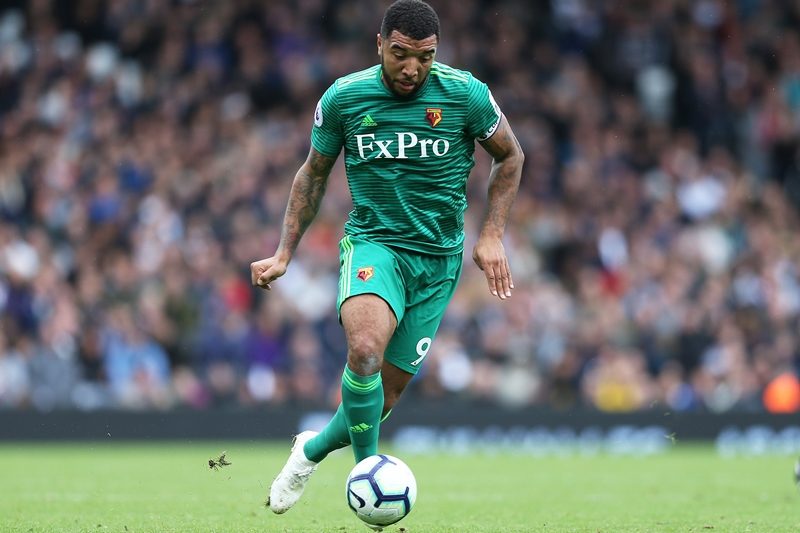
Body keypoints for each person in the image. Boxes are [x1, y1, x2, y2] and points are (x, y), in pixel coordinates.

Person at [250, 0, 524, 516]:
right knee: (365, 352)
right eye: (400, 54)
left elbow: (511, 156)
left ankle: (309, 451)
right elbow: (313, 174)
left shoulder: (466, 94)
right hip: (374, 245)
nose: (412, 68)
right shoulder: (346, 97)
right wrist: (285, 252)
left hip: (438, 262)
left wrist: (491, 234)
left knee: (382, 399)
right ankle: (367, 481)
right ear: (379, 44)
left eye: (425, 57)